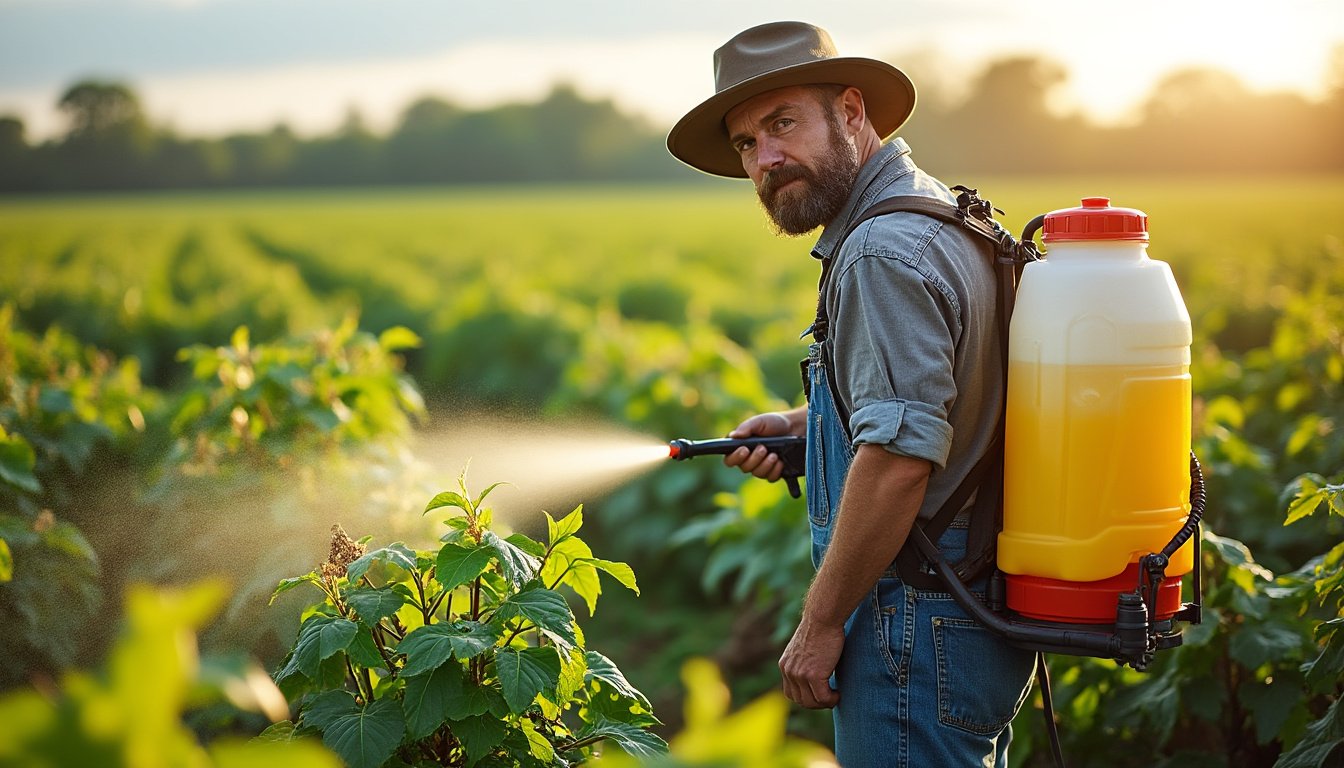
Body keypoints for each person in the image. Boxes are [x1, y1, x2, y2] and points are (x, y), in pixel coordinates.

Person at [666, 21, 1037, 767]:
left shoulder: (878, 249)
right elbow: (949, 398)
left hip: (915, 619)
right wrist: (811, 428)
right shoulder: (938, 212)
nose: (766, 159)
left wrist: (821, 623)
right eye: (746, 144)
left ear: (852, 112)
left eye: (782, 123)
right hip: (971, 614)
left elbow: (902, 457)